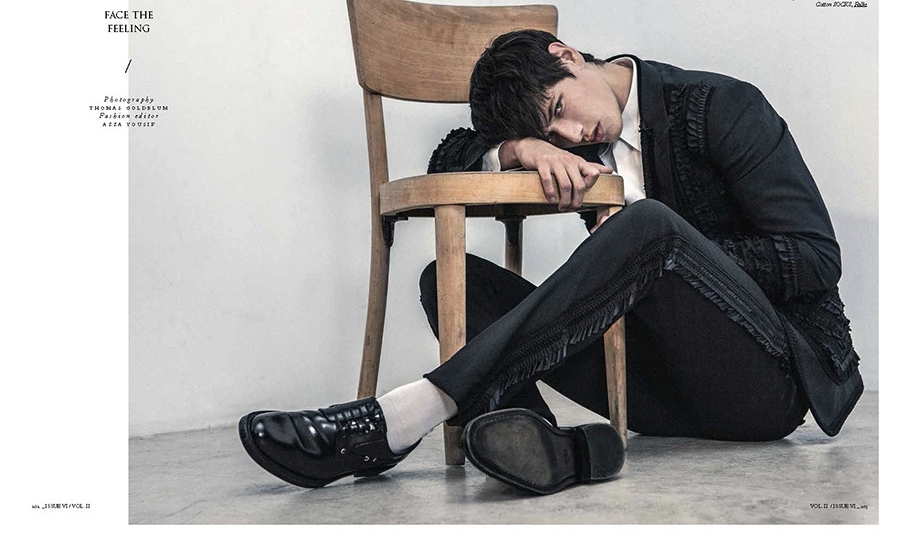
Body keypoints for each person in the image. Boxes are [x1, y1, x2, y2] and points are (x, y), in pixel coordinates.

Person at [238, 30, 863, 495]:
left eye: (560, 110)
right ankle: (555, 448)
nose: (572, 137)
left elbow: (816, 258)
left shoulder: (721, 105)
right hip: (654, 395)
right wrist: (520, 149)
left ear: (567, 56)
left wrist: (670, 255)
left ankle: (405, 416)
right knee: (451, 282)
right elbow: (448, 158)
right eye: (553, 134)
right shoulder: (565, 144)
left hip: (770, 382)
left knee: (647, 225)